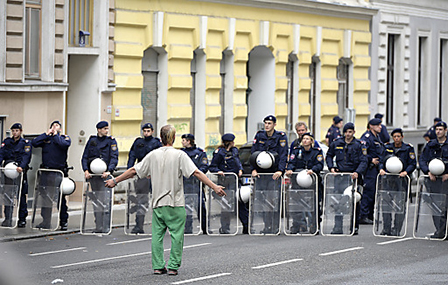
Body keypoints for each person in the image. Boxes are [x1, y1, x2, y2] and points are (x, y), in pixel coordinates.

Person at [104, 125, 226, 276]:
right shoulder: (179, 155)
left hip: (158, 203)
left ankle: (158, 266)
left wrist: (114, 181)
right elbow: (196, 172)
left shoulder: (152, 155)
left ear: (160, 138)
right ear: (173, 138)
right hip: (175, 202)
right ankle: (173, 267)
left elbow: (133, 170)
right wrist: (214, 187)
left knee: (157, 236)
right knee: (177, 236)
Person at [326, 123, 367, 235]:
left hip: (354, 177)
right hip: (340, 177)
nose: (348, 134)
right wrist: (331, 168)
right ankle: (337, 227)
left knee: (355, 202)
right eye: (346, 132)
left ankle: (354, 227)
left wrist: (357, 172)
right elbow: (329, 155)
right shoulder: (337, 142)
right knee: (339, 202)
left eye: (350, 132)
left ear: (353, 132)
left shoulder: (359, 145)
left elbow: (364, 160)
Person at [251, 115, 288, 234]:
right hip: (261, 173)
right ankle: (266, 226)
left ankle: (274, 226)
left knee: (272, 200)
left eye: (269, 123)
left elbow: (283, 155)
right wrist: (254, 169)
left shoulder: (280, 137)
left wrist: (280, 171)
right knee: (262, 200)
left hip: (274, 173)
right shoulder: (259, 135)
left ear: (274, 125)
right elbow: (254, 153)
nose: (267, 125)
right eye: (265, 123)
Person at [31, 121, 71, 230]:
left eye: (57, 126)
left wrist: (56, 135)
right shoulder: (46, 139)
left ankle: (63, 221)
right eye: (53, 126)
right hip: (46, 172)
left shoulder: (64, 138)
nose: (54, 128)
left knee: (60, 198)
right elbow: (34, 143)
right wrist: (46, 134)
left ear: (60, 129)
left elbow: (63, 145)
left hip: (58, 172)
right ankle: (46, 221)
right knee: (45, 198)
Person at [81, 121, 118, 233]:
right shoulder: (92, 140)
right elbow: (85, 157)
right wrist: (86, 170)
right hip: (93, 176)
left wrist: (109, 170)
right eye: (105, 129)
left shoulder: (111, 141)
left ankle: (105, 225)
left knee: (105, 200)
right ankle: (98, 225)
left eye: (107, 128)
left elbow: (114, 157)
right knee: (96, 200)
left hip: (104, 175)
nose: (107, 131)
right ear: (99, 130)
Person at [378, 128, 416, 236]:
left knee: (400, 206)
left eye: (398, 136)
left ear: (402, 137)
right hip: (388, 180)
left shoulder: (408, 148)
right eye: (394, 137)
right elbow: (382, 160)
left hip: (401, 180)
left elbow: (412, 163)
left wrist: (406, 172)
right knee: (386, 205)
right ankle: (386, 228)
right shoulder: (387, 147)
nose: (396, 139)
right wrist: (381, 169)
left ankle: (397, 229)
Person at [126, 123, 162, 234]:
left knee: (159, 200)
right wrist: (130, 170)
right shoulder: (138, 142)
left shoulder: (156, 143)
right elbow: (132, 156)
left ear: (152, 131)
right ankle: (138, 226)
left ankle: (161, 226)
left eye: (148, 131)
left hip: (154, 175)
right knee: (141, 201)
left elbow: (160, 159)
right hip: (142, 175)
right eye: (144, 131)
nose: (146, 133)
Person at [209, 133, 248, 234]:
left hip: (235, 181)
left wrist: (240, 169)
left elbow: (238, 161)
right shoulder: (219, 153)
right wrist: (218, 171)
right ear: (229, 142)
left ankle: (246, 226)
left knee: (240, 203)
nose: (234, 143)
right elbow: (212, 166)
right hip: (224, 181)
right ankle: (225, 228)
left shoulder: (234, 151)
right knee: (226, 205)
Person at [286, 132, 323, 234]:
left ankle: (314, 225)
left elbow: (320, 164)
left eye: (307, 139)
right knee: (297, 204)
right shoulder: (297, 151)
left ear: (311, 141)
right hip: (298, 181)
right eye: (303, 139)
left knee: (314, 204)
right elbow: (292, 163)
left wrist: (313, 170)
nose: (305, 140)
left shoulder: (317, 152)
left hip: (312, 182)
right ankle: (297, 225)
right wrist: (289, 170)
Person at [419, 121, 448, 238]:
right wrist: (428, 171)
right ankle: (440, 231)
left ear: (445, 131)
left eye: (441, 129)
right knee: (436, 206)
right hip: (434, 181)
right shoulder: (431, 145)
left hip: (446, 180)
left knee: (445, 206)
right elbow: (422, 160)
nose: (438, 132)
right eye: (437, 130)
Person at [0, 123, 32, 228]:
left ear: (21, 131)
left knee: (21, 196)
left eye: (17, 131)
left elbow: (26, 156)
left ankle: (22, 219)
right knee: (7, 195)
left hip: (19, 172)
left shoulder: (25, 143)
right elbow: (1, 154)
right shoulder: (7, 142)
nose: (15, 133)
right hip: (8, 172)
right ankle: (7, 219)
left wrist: (22, 167)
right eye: (13, 131)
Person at [180, 133, 208, 234]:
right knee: (186, 206)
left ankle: (205, 228)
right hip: (184, 183)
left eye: (184, 140)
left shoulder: (199, 153)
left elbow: (204, 166)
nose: (182, 142)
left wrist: (196, 174)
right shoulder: (181, 153)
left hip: (196, 183)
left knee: (200, 205)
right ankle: (188, 228)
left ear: (189, 141)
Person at [360, 118, 385, 224]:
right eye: (378, 125)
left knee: (374, 193)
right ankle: (363, 215)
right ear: (371, 126)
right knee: (368, 192)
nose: (380, 127)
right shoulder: (367, 137)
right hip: (369, 169)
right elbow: (362, 152)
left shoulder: (377, 137)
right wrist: (371, 159)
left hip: (376, 169)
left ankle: (370, 215)